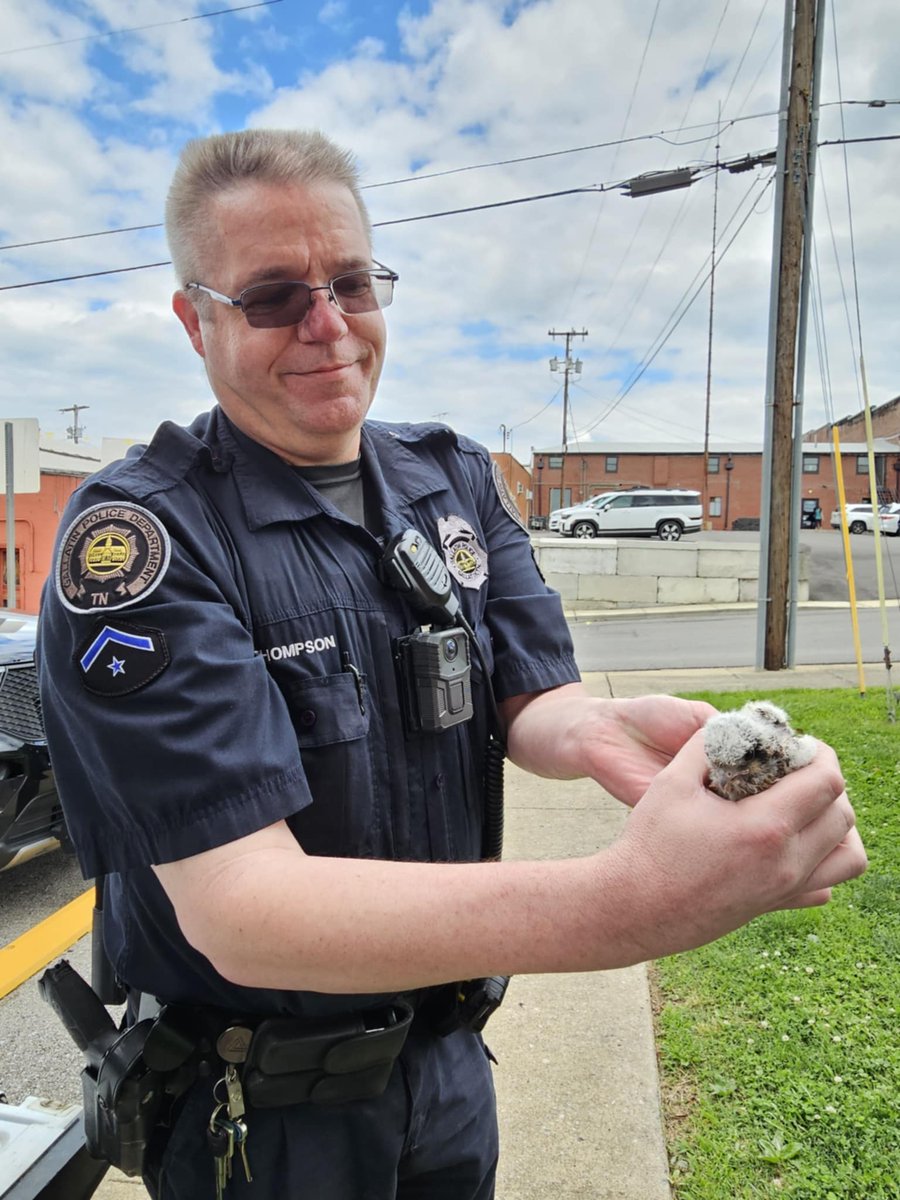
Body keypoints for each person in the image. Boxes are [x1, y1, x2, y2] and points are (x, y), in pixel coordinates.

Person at [36, 129, 866, 1200]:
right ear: (196, 321)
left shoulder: (450, 479)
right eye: (276, 296)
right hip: (264, 1117)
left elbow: (532, 697)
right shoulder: (146, 541)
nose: (328, 326)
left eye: (350, 282)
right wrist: (631, 902)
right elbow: (245, 912)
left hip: (448, 1064)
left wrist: (603, 733)